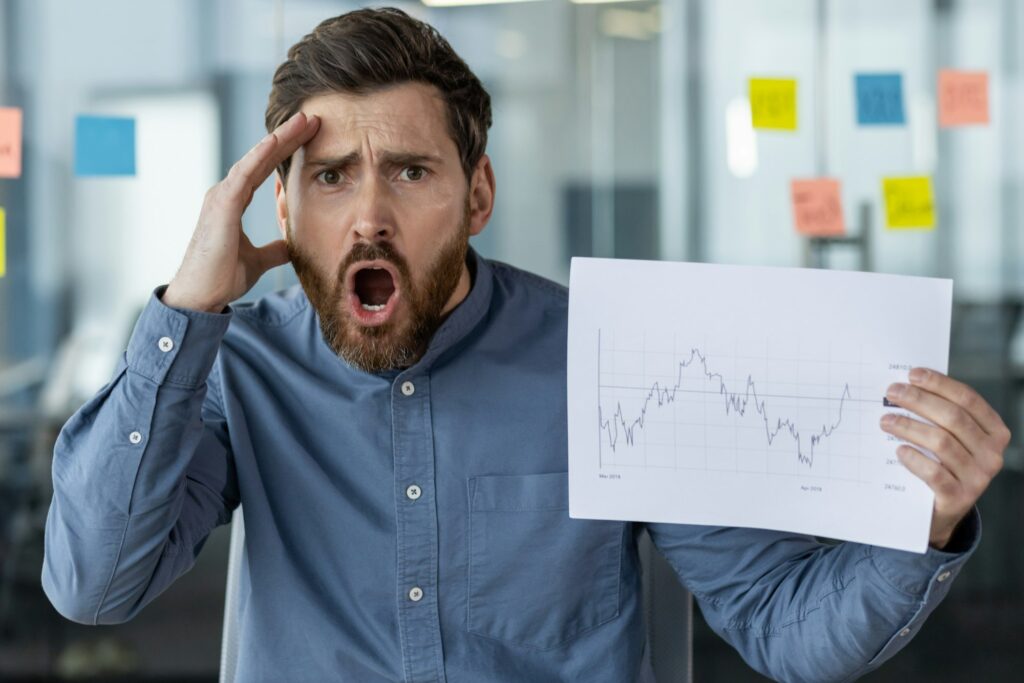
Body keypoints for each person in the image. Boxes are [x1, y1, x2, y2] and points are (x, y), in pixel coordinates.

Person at [42, 7, 1009, 683]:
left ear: (478, 196)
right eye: (331, 178)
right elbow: (93, 585)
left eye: (411, 171)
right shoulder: (236, 367)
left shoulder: (614, 355)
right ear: (280, 204)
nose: (369, 218)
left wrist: (920, 526)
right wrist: (184, 311)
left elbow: (784, 629)